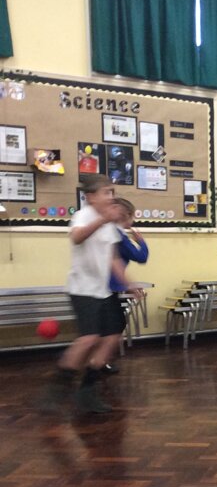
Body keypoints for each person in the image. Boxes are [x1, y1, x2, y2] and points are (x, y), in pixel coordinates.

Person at [45, 175, 136, 414]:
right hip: (82, 288)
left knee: (113, 335)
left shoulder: (112, 225)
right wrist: (103, 219)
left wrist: (128, 284)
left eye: (112, 192)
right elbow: (77, 237)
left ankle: (87, 391)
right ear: (91, 197)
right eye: (106, 192)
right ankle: (56, 390)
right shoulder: (83, 215)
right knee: (89, 338)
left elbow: (113, 259)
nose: (111, 197)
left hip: (103, 290)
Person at [101, 197, 149, 374]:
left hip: (106, 285)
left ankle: (100, 361)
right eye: (132, 216)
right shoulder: (119, 235)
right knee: (116, 324)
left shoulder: (109, 232)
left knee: (110, 325)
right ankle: (99, 362)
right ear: (126, 216)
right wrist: (141, 241)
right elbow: (141, 257)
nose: (133, 220)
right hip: (110, 287)